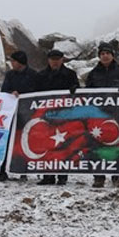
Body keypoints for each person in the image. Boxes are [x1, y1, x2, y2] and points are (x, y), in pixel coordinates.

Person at [85, 42, 119, 189]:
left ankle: (117, 177)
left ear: (112, 55)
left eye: (107, 53)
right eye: (102, 54)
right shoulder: (94, 73)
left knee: (118, 146)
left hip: (118, 115)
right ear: (99, 56)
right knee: (97, 145)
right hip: (99, 117)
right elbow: (87, 93)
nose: (105, 56)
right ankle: (99, 177)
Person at [35, 49, 79, 186]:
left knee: (64, 144)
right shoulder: (41, 75)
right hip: (47, 116)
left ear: (62, 60)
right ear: (48, 60)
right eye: (52, 59)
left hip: (64, 116)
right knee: (47, 144)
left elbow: (78, 93)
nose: (55, 61)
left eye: (57, 58)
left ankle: (62, 175)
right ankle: (48, 175)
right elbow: (35, 94)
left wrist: (74, 89)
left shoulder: (70, 75)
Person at [0, 50, 37, 182]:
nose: (12, 63)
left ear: (20, 62)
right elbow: (4, 91)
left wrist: (24, 96)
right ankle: (2, 171)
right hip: (11, 114)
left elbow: (37, 92)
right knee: (7, 142)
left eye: (13, 61)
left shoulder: (33, 75)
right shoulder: (9, 75)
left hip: (27, 114)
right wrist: (10, 93)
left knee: (24, 141)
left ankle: (23, 171)